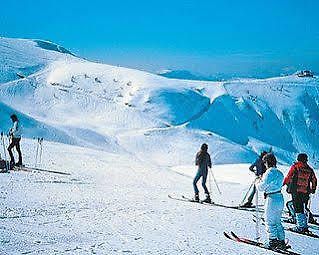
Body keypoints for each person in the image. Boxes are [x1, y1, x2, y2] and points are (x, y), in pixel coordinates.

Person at [256, 153, 287, 250]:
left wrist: (258, 182)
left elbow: (261, 187)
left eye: (264, 162)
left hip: (272, 198)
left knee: (269, 220)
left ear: (267, 162)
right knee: (277, 221)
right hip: (279, 197)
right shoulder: (279, 172)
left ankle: (272, 241)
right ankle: (281, 240)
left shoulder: (269, 172)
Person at [283, 153, 317, 232]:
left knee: (298, 208)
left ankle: (301, 226)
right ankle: (304, 225)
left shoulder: (295, 167)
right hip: (305, 192)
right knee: (303, 207)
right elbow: (314, 180)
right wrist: (313, 189)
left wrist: (282, 184)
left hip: (296, 191)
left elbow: (288, 177)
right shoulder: (309, 169)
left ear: (298, 159)